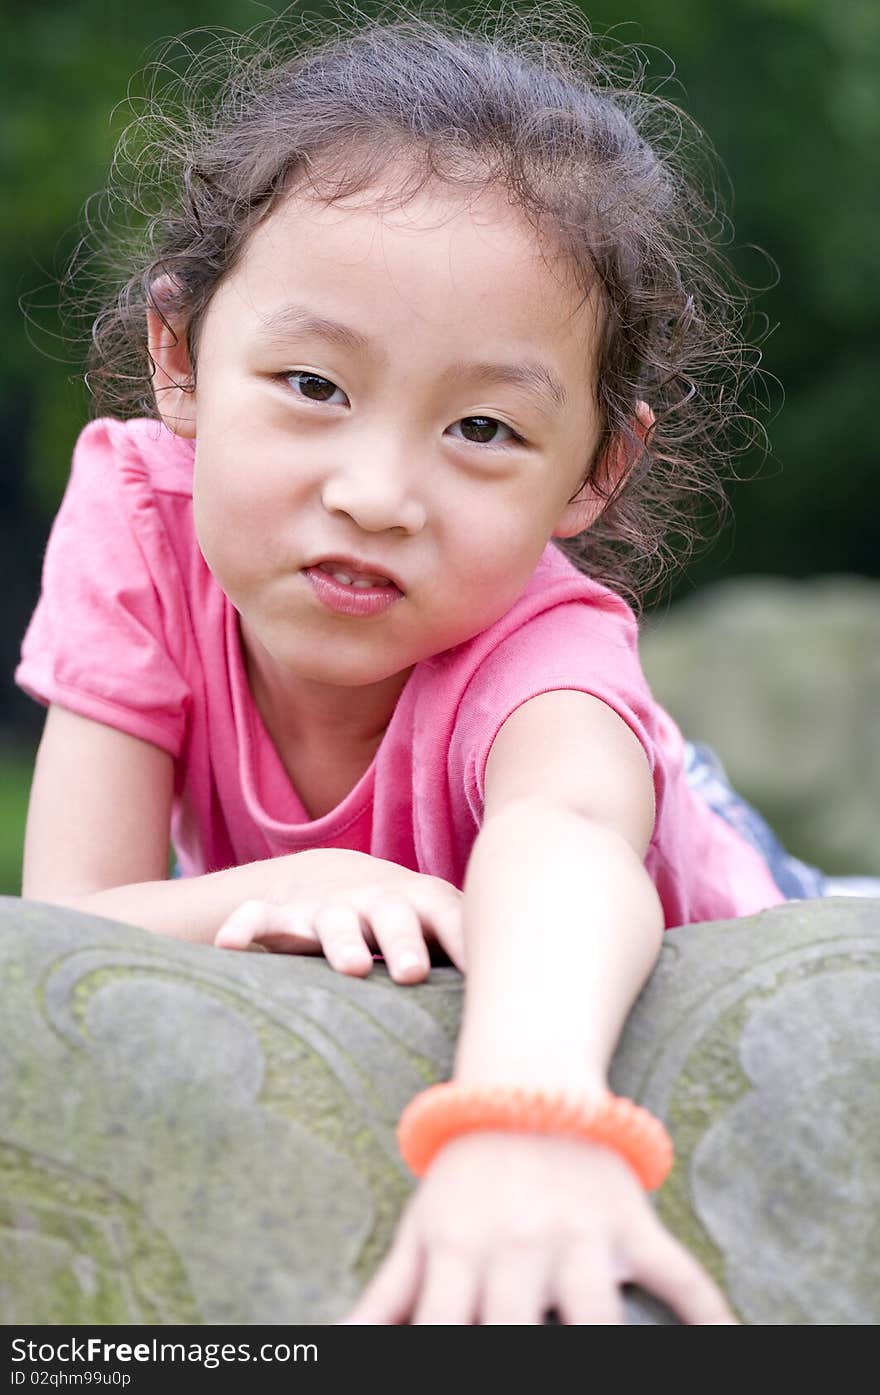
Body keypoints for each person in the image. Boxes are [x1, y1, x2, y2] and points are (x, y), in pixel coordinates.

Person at [15, 3, 829, 1324]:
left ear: (595, 470)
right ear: (180, 358)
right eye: (314, 387)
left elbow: (566, 845)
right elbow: (63, 923)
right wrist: (312, 877)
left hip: (713, 880)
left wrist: (522, 1119)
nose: (378, 492)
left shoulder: (540, 656)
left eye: (485, 427)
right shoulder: (143, 524)